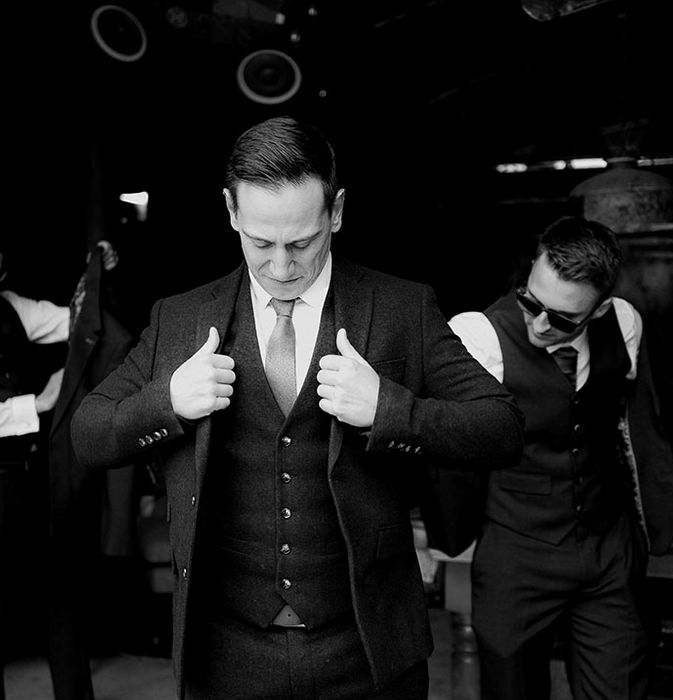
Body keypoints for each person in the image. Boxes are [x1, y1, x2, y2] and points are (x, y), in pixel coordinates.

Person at [71, 115, 524, 700]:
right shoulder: (179, 319)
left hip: (366, 648)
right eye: (261, 242)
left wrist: (391, 409)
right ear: (231, 213)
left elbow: (503, 427)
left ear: (335, 211)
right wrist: (168, 403)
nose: (281, 267)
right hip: (226, 653)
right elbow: (89, 433)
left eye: (303, 242)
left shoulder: (400, 309)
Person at [446, 215, 673, 700]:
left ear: (597, 309)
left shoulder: (625, 323)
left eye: (561, 319)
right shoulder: (478, 336)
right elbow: (429, 423)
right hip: (517, 554)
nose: (538, 324)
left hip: (608, 552)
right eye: (531, 300)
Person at [0, 240, 127, 700]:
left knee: (61, 591)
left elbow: (81, 324)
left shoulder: (12, 306)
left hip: (26, 478)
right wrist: (35, 403)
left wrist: (96, 281)